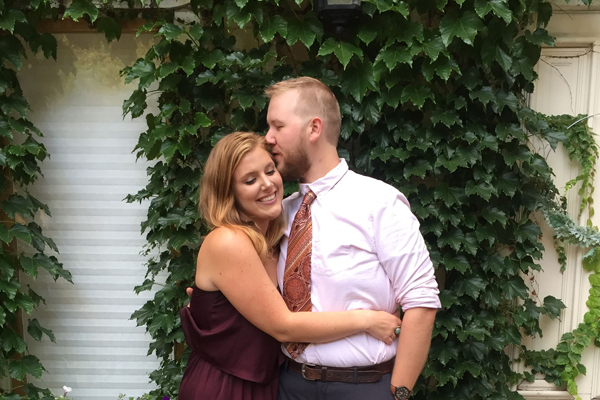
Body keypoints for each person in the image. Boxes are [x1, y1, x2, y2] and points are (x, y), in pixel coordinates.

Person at [178, 131, 403, 400]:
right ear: (228, 193)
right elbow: (283, 326)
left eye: (270, 171)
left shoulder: (276, 241)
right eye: (250, 180)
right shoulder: (229, 240)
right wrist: (367, 320)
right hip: (224, 386)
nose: (267, 184)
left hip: (267, 384)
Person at [264, 77, 441, 400]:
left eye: (278, 126)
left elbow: (421, 299)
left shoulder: (379, 203)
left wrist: (398, 393)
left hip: (363, 388)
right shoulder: (279, 213)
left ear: (314, 128)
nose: (268, 138)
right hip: (290, 385)